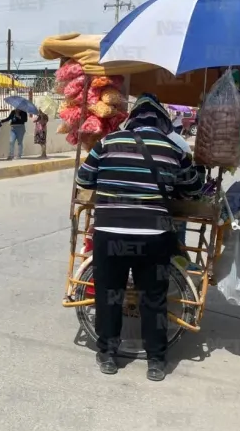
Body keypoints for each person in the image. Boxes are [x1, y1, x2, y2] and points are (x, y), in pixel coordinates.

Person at [76, 94, 203, 382]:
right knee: (154, 299)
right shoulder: (172, 148)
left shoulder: (107, 143)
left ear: (132, 118)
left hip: (110, 234)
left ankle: (108, 355)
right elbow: (193, 187)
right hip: (153, 237)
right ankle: (156, 361)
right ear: (161, 121)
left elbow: (83, 181)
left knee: (110, 296)